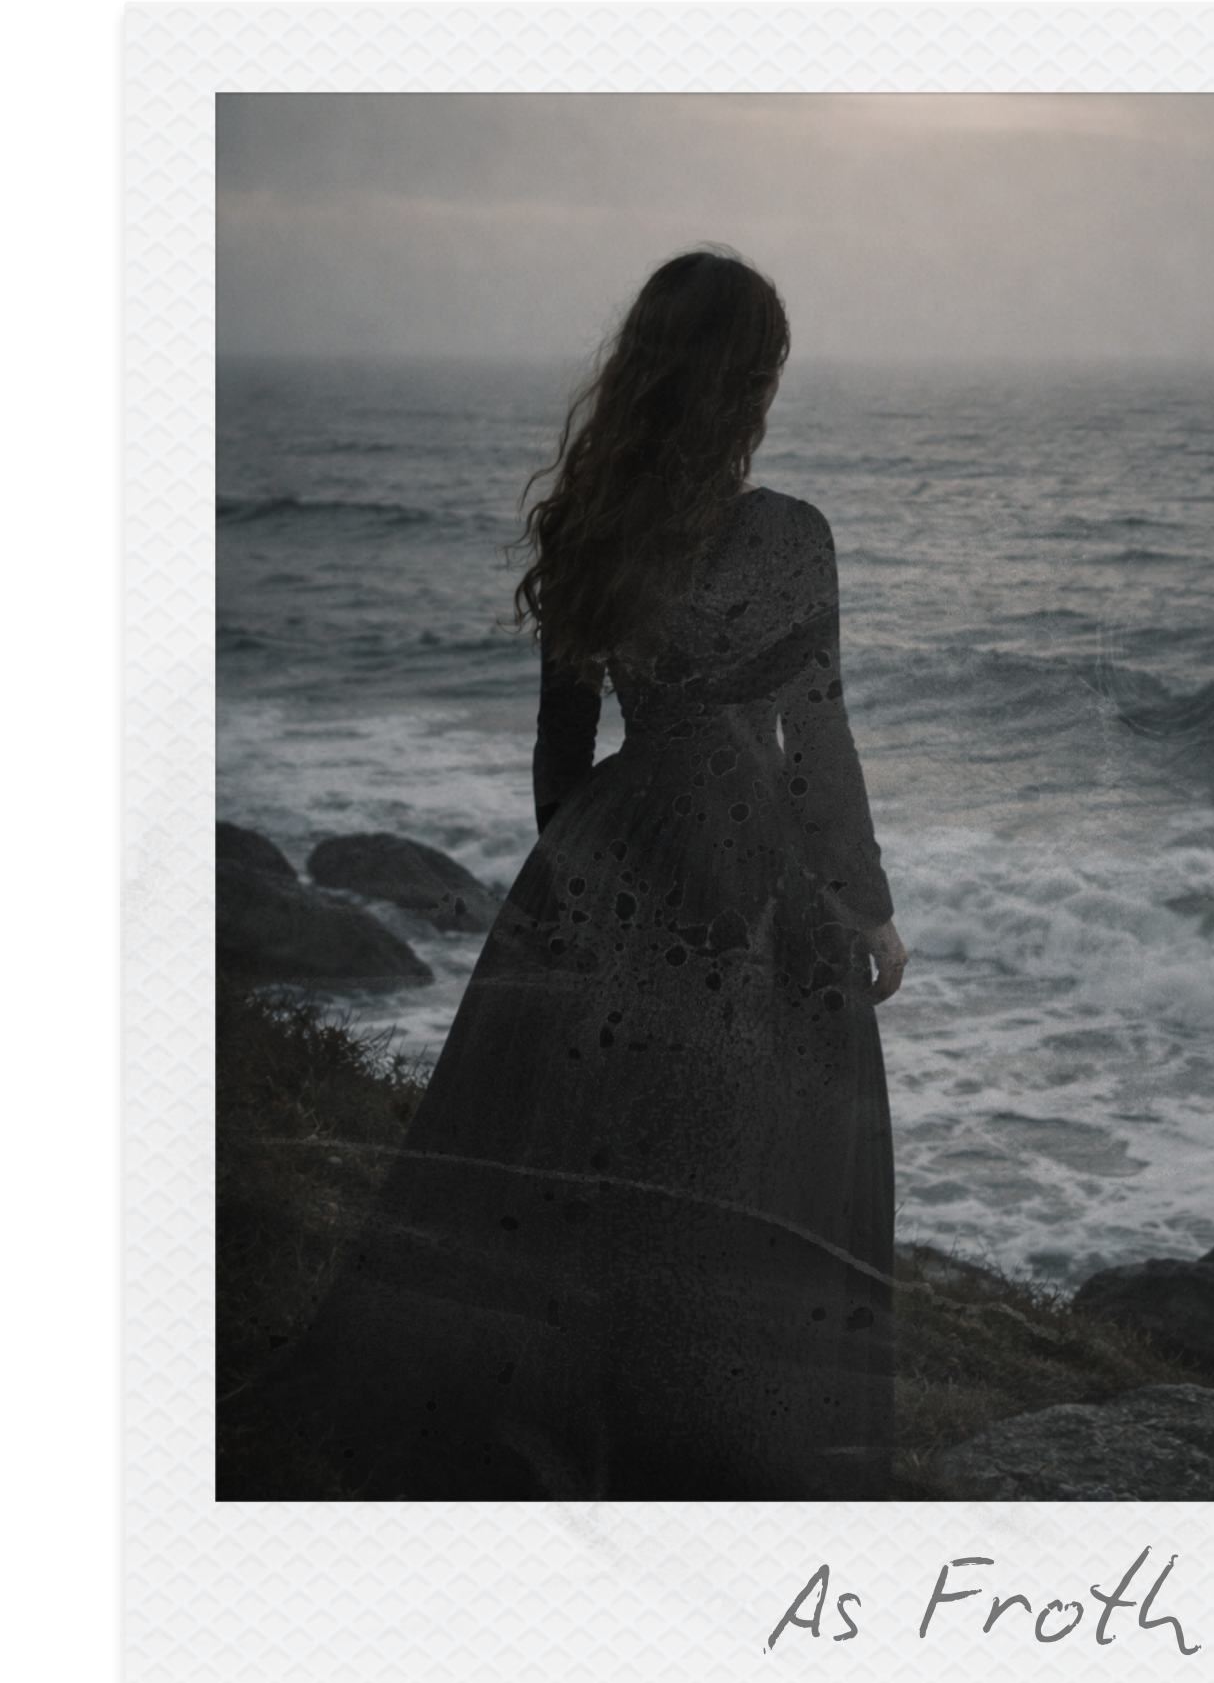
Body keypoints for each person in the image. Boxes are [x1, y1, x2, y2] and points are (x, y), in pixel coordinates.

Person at [256, 250, 907, 1499]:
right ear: (745, 382)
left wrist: (582, 890)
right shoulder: (789, 536)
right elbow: (815, 740)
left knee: (605, 1164)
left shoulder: (592, 526)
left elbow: (560, 758)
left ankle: (600, 1415)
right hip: (752, 877)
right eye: (765, 369)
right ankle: (701, 1427)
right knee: (736, 1159)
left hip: (614, 857)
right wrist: (864, 903)